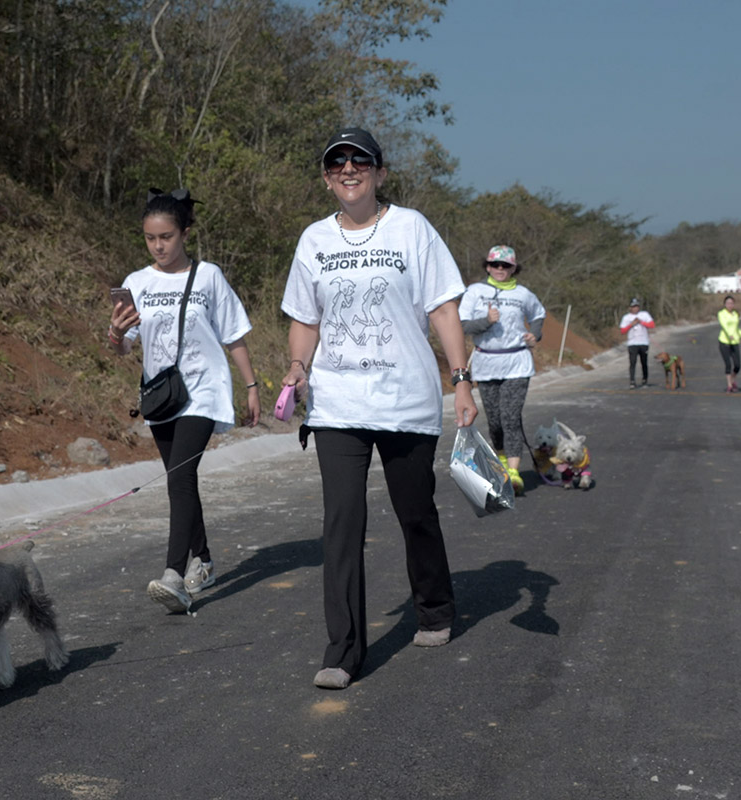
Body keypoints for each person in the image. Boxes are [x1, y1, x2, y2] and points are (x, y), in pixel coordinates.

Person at [279, 127, 477, 690]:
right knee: (341, 522)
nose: (348, 169)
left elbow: (442, 308)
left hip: (406, 397)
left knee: (414, 510)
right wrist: (298, 366)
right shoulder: (313, 240)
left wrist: (460, 380)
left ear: (379, 172)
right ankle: (342, 650)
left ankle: (435, 606)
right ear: (326, 177)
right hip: (338, 400)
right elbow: (304, 318)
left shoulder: (411, 227)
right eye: (336, 162)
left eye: (359, 161)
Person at [108, 188, 261, 614]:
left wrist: (250, 386)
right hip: (162, 395)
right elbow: (124, 347)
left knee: (179, 476)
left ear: (185, 233)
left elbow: (233, 334)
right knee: (182, 481)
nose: (159, 246)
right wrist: (117, 334)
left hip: (204, 390)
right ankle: (205, 559)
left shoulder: (208, 276)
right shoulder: (137, 282)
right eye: (150, 238)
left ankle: (174, 574)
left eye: (167, 237)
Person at [459, 245, 546, 494]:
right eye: (495, 264)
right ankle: (503, 463)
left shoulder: (523, 294)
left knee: (510, 416)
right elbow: (463, 326)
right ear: (487, 266)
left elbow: (539, 315)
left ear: (513, 268)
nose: (500, 269)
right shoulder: (475, 292)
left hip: (517, 362)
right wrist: (486, 321)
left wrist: (535, 335)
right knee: (495, 421)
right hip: (486, 364)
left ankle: (515, 473)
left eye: (505, 265)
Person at [619, 298, 655, 389]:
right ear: (630, 308)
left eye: (637, 306)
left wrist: (641, 322)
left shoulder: (644, 314)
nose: (635, 308)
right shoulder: (626, 317)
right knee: (632, 362)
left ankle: (645, 379)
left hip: (643, 342)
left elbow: (652, 325)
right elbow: (622, 331)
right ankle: (632, 381)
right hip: (632, 343)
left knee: (644, 362)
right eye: (633, 307)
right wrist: (632, 324)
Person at [717, 294, 741, 392]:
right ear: (724, 304)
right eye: (728, 303)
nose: (730, 305)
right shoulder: (721, 313)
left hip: (735, 341)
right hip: (724, 341)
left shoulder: (735, 314)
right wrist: (729, 335)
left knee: (737, 365)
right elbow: (724, 326)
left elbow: (737, 329)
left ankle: (733, 380)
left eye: (731, 303)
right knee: (728, 364)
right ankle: (729, 385)